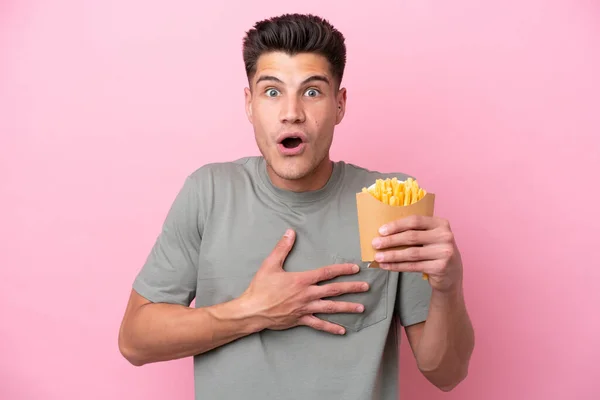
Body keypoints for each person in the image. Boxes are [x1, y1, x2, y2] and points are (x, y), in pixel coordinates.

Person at [118, 13, 475, 400]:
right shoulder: (209, 192)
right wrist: (254, 310)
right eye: (272, 92)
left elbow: (447, 373)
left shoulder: (391, 200)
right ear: (249, 104)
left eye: (312, 92)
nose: (292, 112)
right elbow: (136, 340)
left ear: (339, 105)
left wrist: (448, 287)